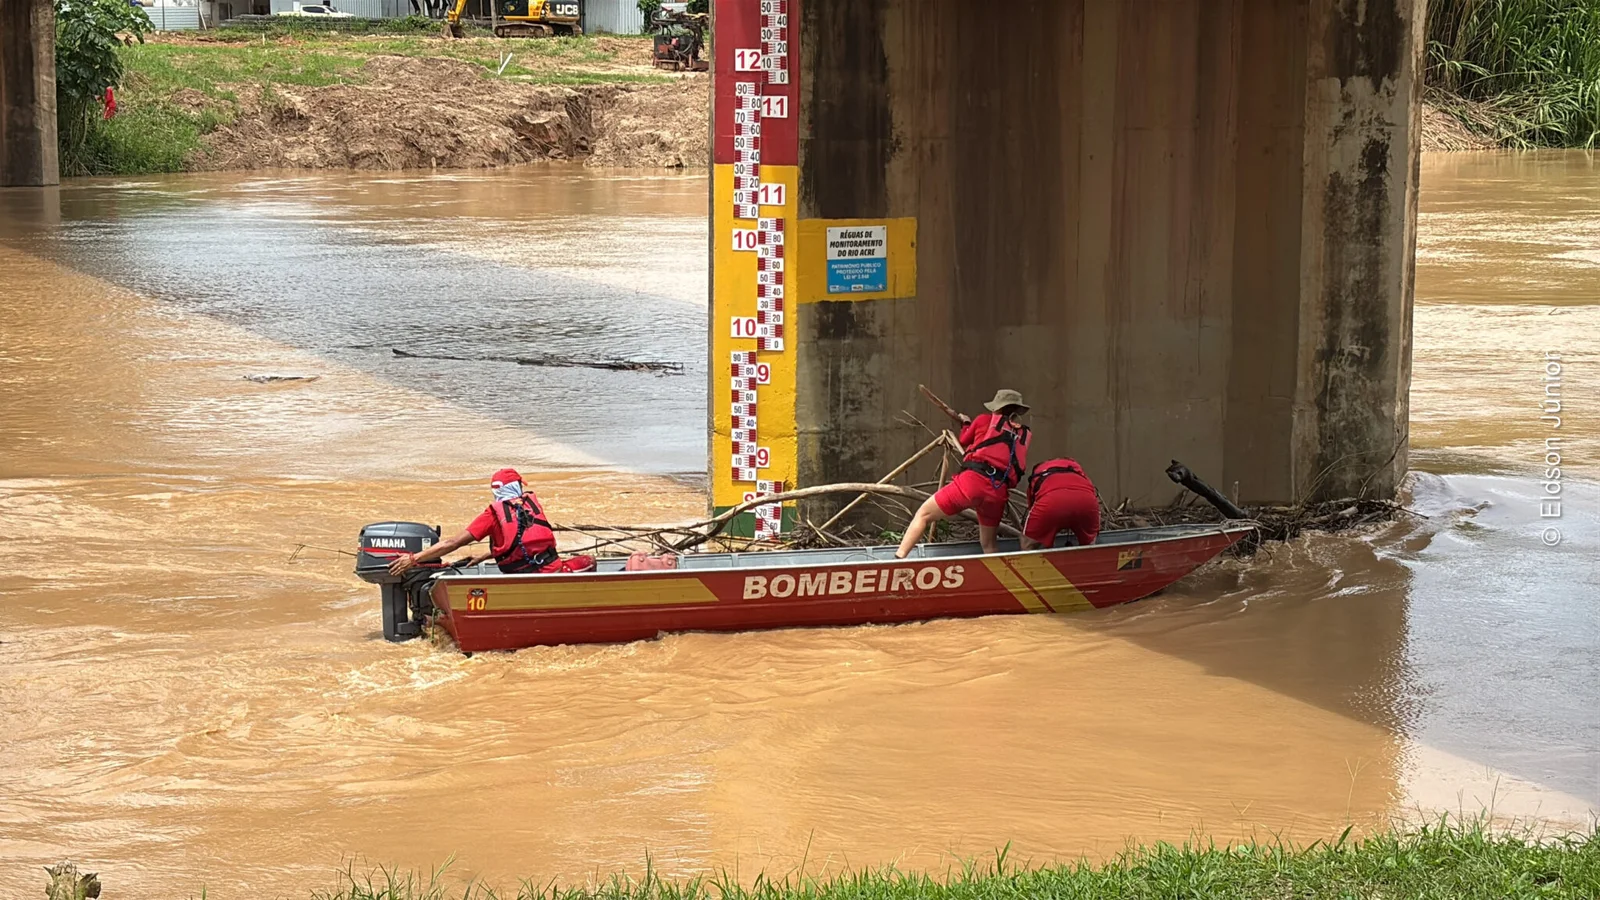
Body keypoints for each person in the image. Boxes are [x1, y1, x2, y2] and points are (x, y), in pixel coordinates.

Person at [896, 389, 1032, 558]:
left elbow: (964, 440)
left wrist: (966, 423)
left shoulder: (983, 420)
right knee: (989, 544)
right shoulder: (1023, 434)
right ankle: (1001, 573)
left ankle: (898, 558)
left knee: (923, 515)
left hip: (972, 483)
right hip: (998, 492)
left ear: (996, 407)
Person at [388, 468, 595, 576]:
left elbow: (453, 543)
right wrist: (414, 559)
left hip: (521, 576)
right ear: (517, 487)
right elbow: (528, 544)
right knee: (590, 561)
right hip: (550, 571)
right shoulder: (530, 505)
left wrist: (414, 558)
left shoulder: (492, 514)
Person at [1021, 457, 1101, 550]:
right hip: (1087, 501)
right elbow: (1091, 490)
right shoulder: (1077, 469)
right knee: (1090, 546)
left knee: (1028, 544)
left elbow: (1031, 506)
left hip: (1050, 503)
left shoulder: (1037, 473)